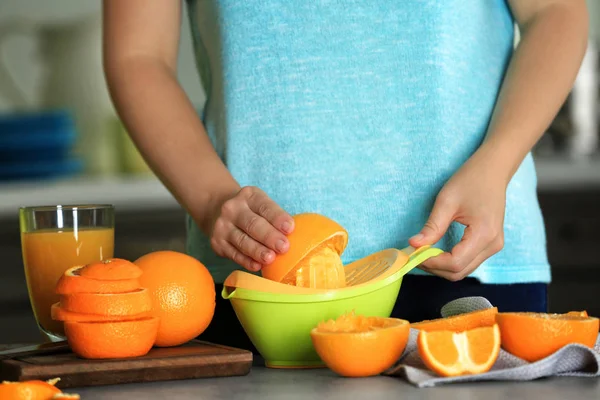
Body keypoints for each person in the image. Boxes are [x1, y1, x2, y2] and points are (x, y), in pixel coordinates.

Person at [102, 0, 589, 352]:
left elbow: (557, 11)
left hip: (466, 257)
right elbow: (137, 56)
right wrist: (211, 198)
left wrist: (498, 160)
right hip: (260, 282)